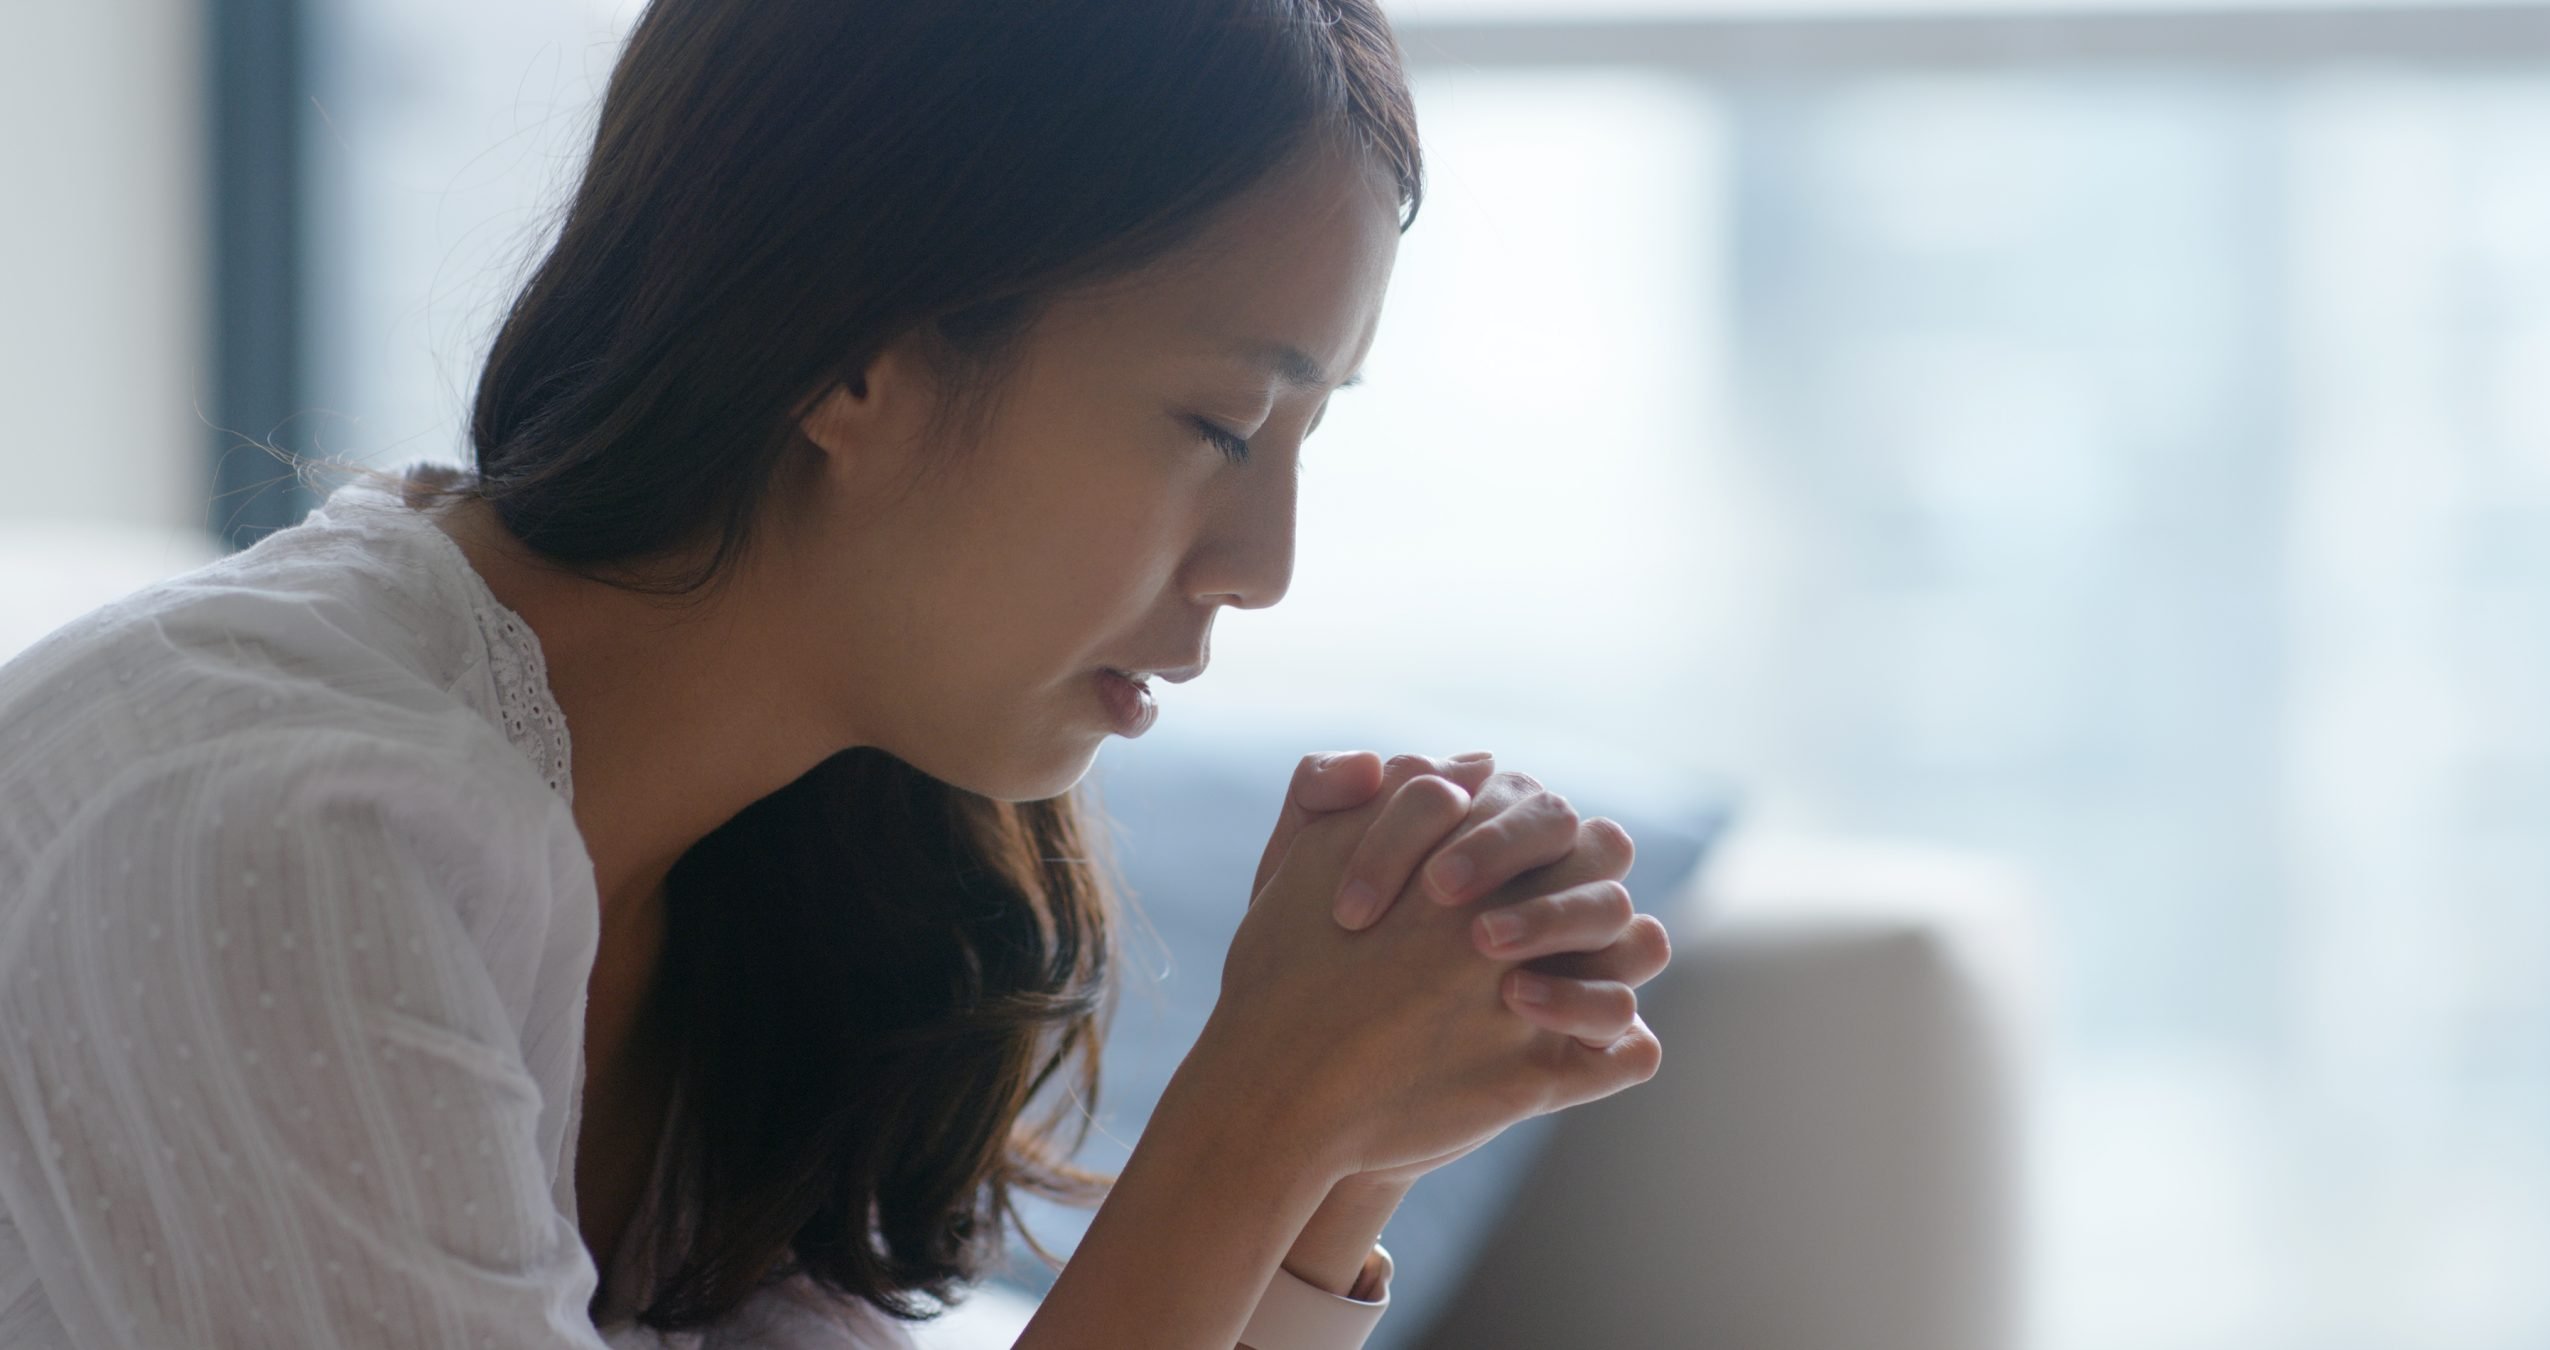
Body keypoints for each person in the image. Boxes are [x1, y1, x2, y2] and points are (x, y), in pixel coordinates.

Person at [0, 1, 1672, 1345]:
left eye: (1308, 437)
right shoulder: (274, 841)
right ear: (853, 351)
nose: (1267, 562)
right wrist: (1256, 1123)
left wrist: (1341, 1151)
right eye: (1220, 424)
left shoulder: (797, 857)